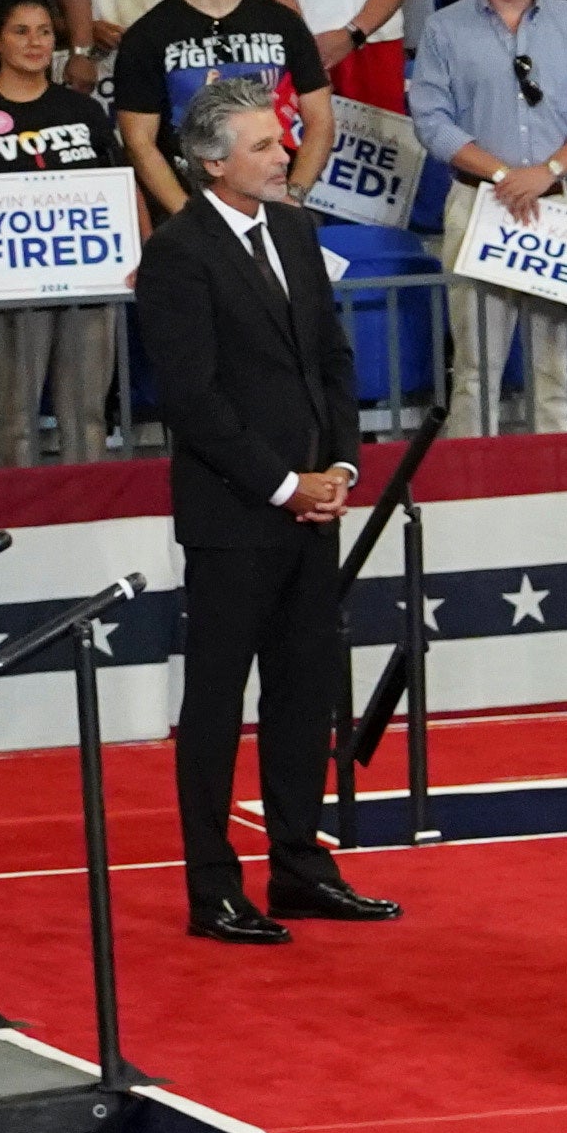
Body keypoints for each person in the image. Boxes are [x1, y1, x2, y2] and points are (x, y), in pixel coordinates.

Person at [124, 80, 383, 949]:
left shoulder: (298, 232)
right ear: (211, 163)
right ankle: (213, 888)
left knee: (305, 695)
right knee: (216, 702)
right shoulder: (178, 254)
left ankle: (301, 868)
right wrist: (285, 485)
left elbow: (334, 363)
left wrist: (339, 466)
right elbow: (192, 401)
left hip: (315, 510)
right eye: (267, 146)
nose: (285, 154)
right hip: (236, 517)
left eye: (282, 141)